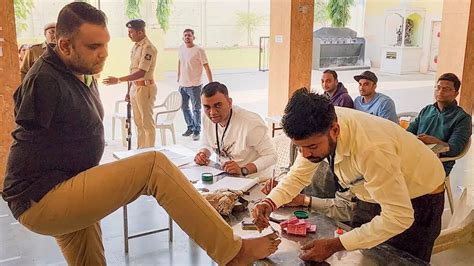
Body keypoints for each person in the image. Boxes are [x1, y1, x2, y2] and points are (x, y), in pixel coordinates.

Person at [2, 3, 280, 265]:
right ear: (64, 45)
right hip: (42, 197)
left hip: (69, 184)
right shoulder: (44, 79)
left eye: (106, 44)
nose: (104, 53)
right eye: (94, 46)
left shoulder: (77, 70)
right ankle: (233, 251)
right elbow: (27, 120)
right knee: (153, 167)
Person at [253, 88, 446, 263]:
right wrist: (270, 202)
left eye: (311, 147)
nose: (305, 154)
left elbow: (399, 217)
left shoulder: (372, 149)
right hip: (371, 191)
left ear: (335, 131)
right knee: (364, 255)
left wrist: (335, 244)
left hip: (419, 196)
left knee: (398, 260)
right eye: (299, 147)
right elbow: (298, 176)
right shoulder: (320, 128)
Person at [195, 82, 277, 177]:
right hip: (224, 176)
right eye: (207, 107)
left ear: (229, 103)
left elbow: (271, 156)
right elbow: (207, 142)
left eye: (218, 105)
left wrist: (243, 170)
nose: (212, 112)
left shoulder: (250, 123)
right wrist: (203, 154)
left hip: (253, 180)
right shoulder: (207, 118)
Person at [104, 19, 157, 148]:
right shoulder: (136, 47)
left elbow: (141, 73)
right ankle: (141, 151)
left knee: (147, 123)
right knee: (138, 123)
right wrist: (128, 92)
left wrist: (118, 80)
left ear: (140, 32)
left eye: (131, 32)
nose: (129, 35)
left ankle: (150, 152)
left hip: (145, 88)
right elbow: (132, 70)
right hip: (135, 87)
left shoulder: (148, 48)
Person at [407, 73, 472, 175]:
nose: (440, 92)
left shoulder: (462, 118)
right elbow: (409, 132)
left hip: (438, 163)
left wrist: (434, 142)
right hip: (415, 155)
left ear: (456, 93)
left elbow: (453, 149)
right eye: (438, 88)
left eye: (446, 89)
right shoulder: (427, 110)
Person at [178, 28, 213, 141]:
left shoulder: (199, 50)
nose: (187, 37)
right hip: (182, 85)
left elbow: (206, 66)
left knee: (196, 109)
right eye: (185, 35)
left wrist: (211, 82)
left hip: (195, 86)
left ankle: (197, 130)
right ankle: (190, 127)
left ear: (193, 37)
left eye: (189, 35)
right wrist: (178, 75)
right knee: (184, 107)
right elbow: (180, 61)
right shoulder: (181, 48)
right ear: (183, 38)